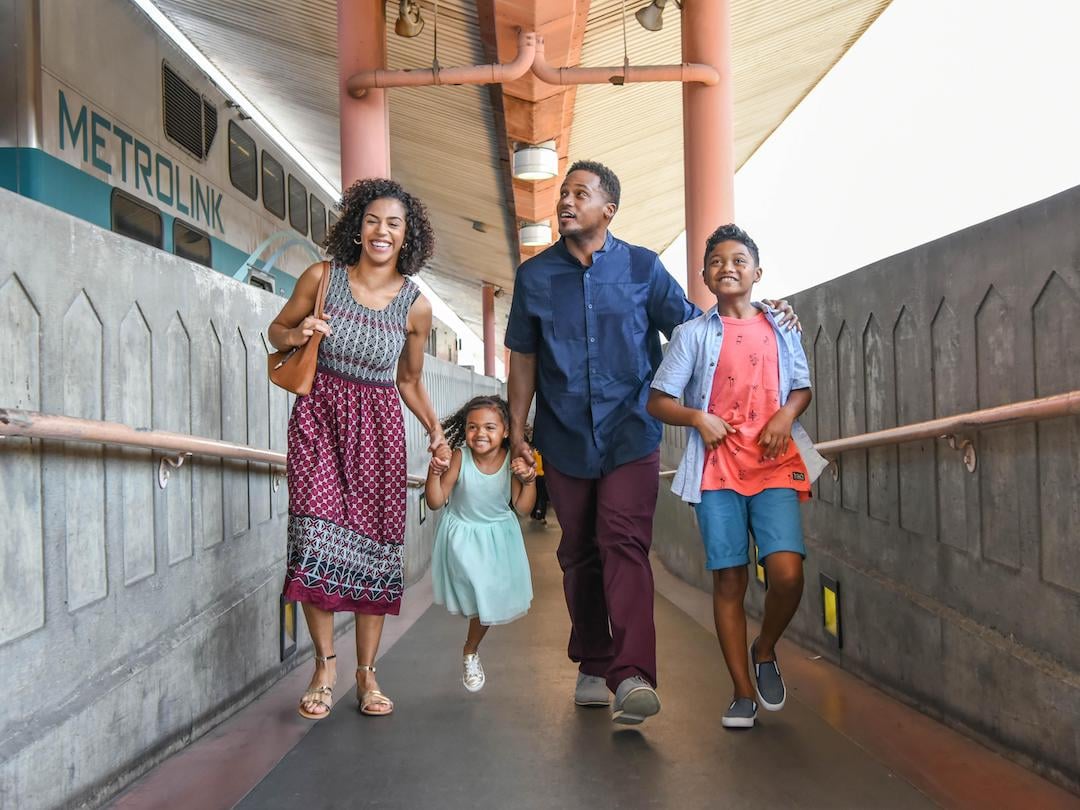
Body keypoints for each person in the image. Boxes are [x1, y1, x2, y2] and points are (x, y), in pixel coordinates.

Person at [504, 161, 800, 726]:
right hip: (563, 436)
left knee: (623, 542)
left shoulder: (642, 267)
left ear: (607, 210)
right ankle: (594, 658)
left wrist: (762, 313)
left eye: (579, 194)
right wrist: (518, 432)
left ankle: (633, 674)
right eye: (563, 194)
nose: (565, 202)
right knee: (578, 552)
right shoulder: (534, 277)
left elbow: (696, 328)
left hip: (631, 431)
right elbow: (524, 358)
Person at [268, 177, 447, 720]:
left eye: (394, 224)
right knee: (314, 541)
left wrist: (437, 432)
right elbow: (276, 332)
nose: (382, 231)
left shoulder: (415, 307)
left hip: (380, 429)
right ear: (357, 225)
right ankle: (325, 666)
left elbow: (410, 381)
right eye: (373, 220)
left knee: (374, 552)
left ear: (407, 235)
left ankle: (367, 674)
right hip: (319, 420)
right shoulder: (322, 278)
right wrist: (301, 333)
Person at [647, 224, 828, 729]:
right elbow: (658, 400)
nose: (728, 266)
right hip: (717, 473)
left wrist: (786, 416)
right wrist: (698, 418)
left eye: (739, 260)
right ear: (705, 274)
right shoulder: (691, 335)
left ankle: (764, 648)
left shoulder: (781, 325)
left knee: (789, 572)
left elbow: (801, 387)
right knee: (730, 578)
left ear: (757, 272)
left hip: (773, 465)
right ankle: (742, 692)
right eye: (717, 261)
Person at [425, 395, 536, 692]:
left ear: (505, 432)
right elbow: (436, 502)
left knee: (486, 600)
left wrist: (529, 480)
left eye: (489, 427)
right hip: (462, 535)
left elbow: (523, 508)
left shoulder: (512, 459)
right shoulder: (460, 457)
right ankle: (471, 650)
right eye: (472, 427)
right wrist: (433, 473)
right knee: (479, 592)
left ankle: (470, 651)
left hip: (497, 538)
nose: (480, 434)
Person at [530, 445, 549, 524]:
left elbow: (531, 463)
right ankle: (542, 516)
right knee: (543, 497)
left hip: (536, 476)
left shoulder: (534, 453)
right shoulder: (546, 453)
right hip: (543, 477)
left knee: (536, 495)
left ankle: (534, 513)